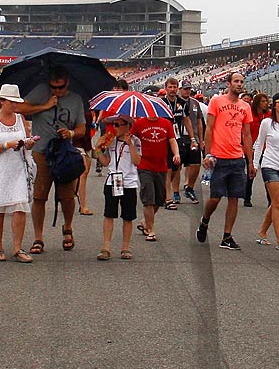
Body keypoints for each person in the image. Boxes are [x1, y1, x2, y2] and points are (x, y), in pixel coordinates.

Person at [24, 68, 88, 254]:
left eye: (60, 88)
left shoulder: (75, 100)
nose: (56, 91)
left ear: (67, 83)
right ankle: (38, 237)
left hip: (64, 152)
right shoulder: (40, 91)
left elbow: (82, 128)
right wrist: (43, 106)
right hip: (41, 152)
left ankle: (67, 228)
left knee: (67, 196)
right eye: (53, 87)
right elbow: (20, 108)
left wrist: (71, 133)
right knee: (39, 196)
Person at [196, 71, 257, 252]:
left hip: (237, 158)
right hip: (218, 156)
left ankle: (227, 235)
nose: (239, 84)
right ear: (228, 84)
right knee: (215, 197)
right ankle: (205, 220)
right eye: (236, 81)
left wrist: (250, 161)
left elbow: (246, 135)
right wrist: (207, 154)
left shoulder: (245, 106)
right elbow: (210, 129)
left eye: (241, 81)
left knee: (234, 198)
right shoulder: (216, 101)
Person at [0, 83, 36, 262]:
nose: (14, 105)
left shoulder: (21, 119)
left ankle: (17, 247)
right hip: (0, 168)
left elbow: (26, 137)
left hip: (19, 167)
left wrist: (28, 143)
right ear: (2, 101)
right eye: (11, 102)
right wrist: (7, 145)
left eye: (16, 102)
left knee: (20, 206)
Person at [93, 113, 141, 260]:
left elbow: (137, 161)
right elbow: (105, 161)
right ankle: (106, 247)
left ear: (127, 126)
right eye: (114, 125)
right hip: (113, 180)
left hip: (129, 182)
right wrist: (99, 148)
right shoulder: (111, 140)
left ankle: (125, 247)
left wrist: (130, 144)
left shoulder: (136, 140)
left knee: (128, 216)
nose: (115, 128)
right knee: (109, 214)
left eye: (118, 125)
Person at [251, 94, 279, 249]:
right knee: (276, 202)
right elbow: (259, 144)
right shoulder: (266, 123)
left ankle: (262, 231)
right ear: (274, 105)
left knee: (278, 202)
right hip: (270, 164)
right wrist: (255, 164)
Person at [131, 94, 177, 244]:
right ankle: (150, 229)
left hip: (161, 165)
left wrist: (176, 153)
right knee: (148, 199)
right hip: (144, 165)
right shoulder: (138, 124)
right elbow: (130, 139)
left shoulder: (166, 123)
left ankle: (146, 221)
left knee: (160, 198)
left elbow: (172, 140)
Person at [160, 77, 203, 207]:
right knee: (167, 169)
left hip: (177, 139)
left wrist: (193, 139)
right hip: (164, 140)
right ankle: (167, 198)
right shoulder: (161, 103)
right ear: (166, 88)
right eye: (170, 87)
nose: (172, 90)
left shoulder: (181, 103)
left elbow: (187, 120)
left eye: (174, 87)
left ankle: (163, 191)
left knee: (175, 168)